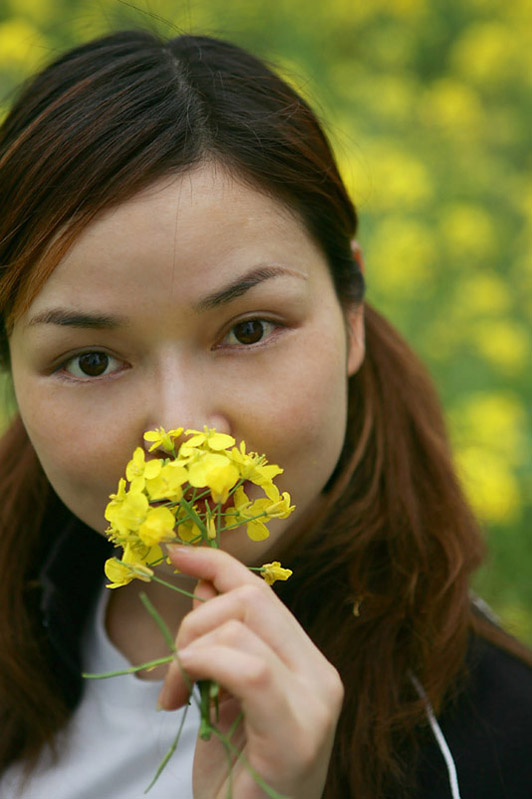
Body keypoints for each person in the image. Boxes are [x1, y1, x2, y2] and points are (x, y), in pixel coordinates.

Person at [0, 30, 530, 799]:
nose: (181, 435)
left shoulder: (493, 750)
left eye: (248, 330)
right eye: (90, 360)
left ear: (352, 308)